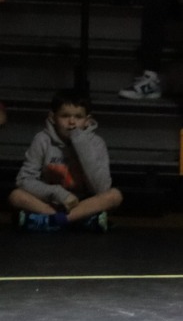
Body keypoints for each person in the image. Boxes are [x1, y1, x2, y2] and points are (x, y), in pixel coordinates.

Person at [9, 89, 123, 232]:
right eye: (65, 116)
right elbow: (24, 179)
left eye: (78, 117)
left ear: (87, 120)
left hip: (83, 203)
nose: (72, 122)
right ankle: (79, 221)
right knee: (16, 196)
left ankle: (52, 221)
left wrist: (81, 143)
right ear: (53, 117)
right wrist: (58, 193)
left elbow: (101, 188)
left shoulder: (96, 143)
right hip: (50, 201)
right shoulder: (42, 140)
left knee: (114, 196)